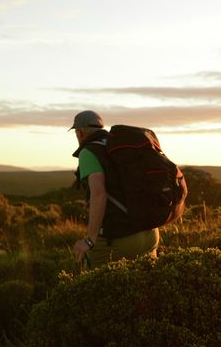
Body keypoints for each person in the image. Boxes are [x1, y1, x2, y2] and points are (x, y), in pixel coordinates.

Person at [69, 110, 186, 268]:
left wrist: (90, 240)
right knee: (145, 288)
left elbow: (98, 194)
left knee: (93, 287)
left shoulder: (88, 152)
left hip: (118, 239)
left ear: (80, 132)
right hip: (150, 234)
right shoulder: (120, 147)